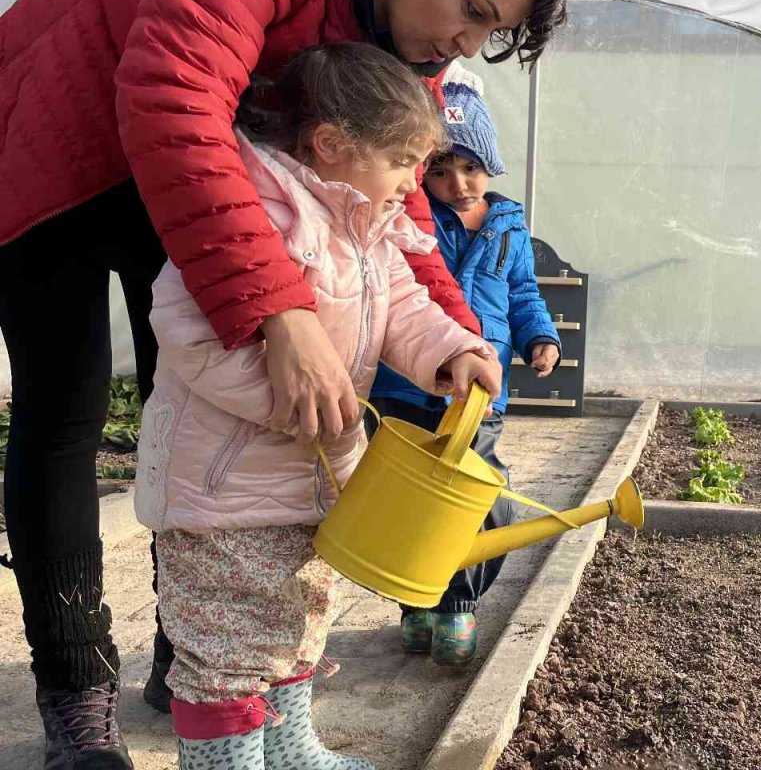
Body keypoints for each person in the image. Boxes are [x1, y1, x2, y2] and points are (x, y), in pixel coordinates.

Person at [0, 0, 564, 767]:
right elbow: (173, 99)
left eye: (490, 34)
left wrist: (457, 336)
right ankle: (76, 694)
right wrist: (282, 310)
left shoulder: (391, 40)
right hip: (49, 152)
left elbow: (396, 211)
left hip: (184, 183)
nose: (469, 46)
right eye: (473, 10)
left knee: (180, 400)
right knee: (63, 419)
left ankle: (191, 660)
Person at [134, 43, 502, 770]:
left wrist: (451, 350)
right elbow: (186, 333)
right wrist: (296, 402)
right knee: (226, 644)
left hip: (314, 479)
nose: (415, 181)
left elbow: (403, 307)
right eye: (404, 161)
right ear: (333, 146)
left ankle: (291, 748)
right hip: (224, 488)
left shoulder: (368, 230)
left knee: (296, 620)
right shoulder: (256, 217)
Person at [369, 70, 560, 666]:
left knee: (483, 496)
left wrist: (540, 337)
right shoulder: (412, 219)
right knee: (406, 501)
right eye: (440, 170)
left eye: (469, 168)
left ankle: (456, 602)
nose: (456, 183)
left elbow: (524, 291)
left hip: (480, 390)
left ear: (491, 163)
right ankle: (421, 606)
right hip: (406, 382)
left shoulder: (509, 223)